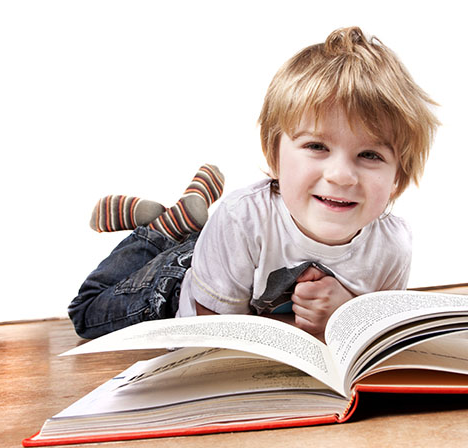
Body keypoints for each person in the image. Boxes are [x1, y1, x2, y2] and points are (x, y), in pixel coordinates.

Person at [68, 26, 439, 342]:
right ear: (274, 157)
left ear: (397, 179)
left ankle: (187, 226)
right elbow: (212, 336)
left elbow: (379, 335)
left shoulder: (393, 246)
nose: (341, 175)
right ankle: (162, 233)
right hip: (180, 283)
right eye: (316, 146)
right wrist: (309, 329)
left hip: (230, 257)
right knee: (86, 313)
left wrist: (347, 314)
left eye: (370, 155)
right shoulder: (240, 218)